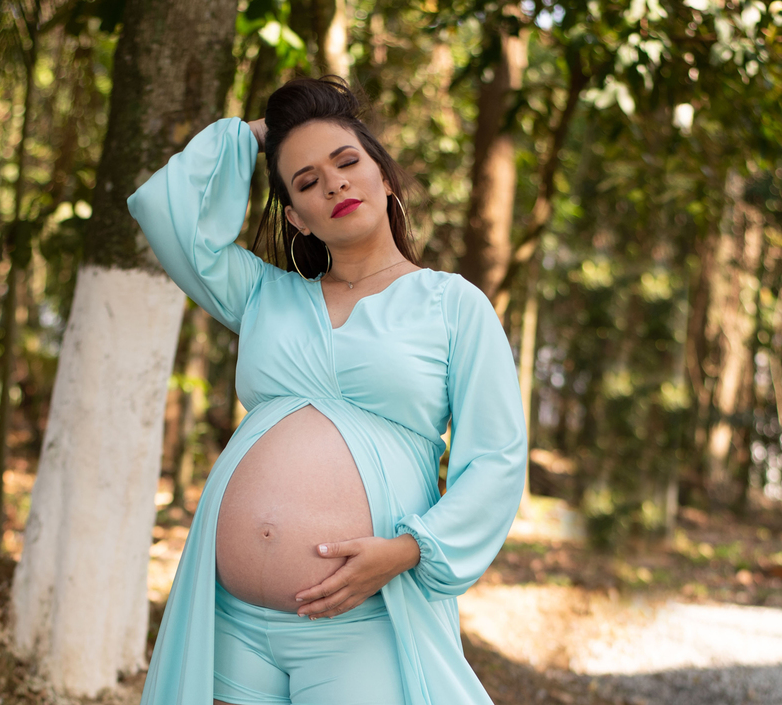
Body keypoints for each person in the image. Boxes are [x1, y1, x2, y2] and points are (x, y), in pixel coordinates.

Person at [126, 74, 528, 705]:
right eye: (307, 181)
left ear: (386, 178)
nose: (334, 182)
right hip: (234, 624)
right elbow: (163, 210)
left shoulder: (451, 304)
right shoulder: (265, 294)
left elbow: (497, 461)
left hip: (365, 620)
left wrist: (406, 550)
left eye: (347, 161)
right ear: (296, 217)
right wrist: (257, 136)